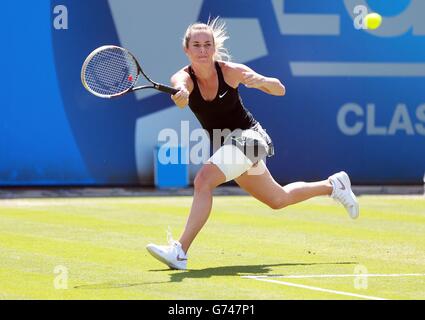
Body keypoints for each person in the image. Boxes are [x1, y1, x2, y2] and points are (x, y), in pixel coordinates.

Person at [146, 17, 359, 270]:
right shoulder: (183, 78)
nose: (202, 50)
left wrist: (263, 82)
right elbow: (181, 91)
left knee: (203, 180)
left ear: (214, 47)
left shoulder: (230, 71)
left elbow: (280, 89)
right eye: (196, 45)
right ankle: (333, 185)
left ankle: (179, 251)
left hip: (252, 139)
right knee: (278, 199)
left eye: (207, 44)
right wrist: (181, 97)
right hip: (228, 146)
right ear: (187, 49)